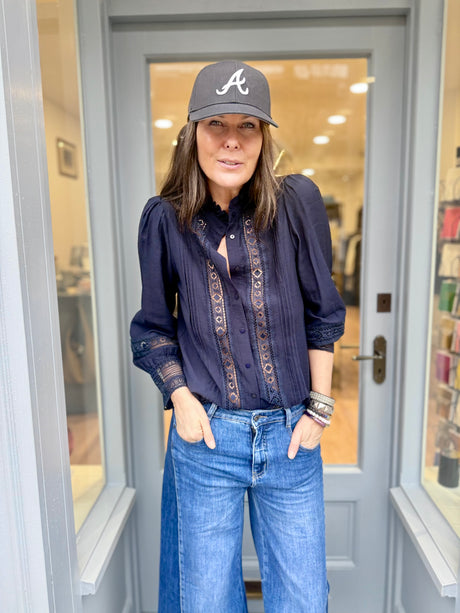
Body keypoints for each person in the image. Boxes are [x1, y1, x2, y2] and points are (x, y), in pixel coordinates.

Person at [130, 60, 346, 613]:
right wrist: (181, 400)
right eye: (216, 124)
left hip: (291, 439)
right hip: (207, 439)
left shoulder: (295, 203)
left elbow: (323, 313)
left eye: (247, 125)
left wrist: (319, 410)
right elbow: (153, 330)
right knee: (205, 602)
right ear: (192, 134)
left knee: (303, 601)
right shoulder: (165, 220)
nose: (231, 140)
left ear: (263, 137)